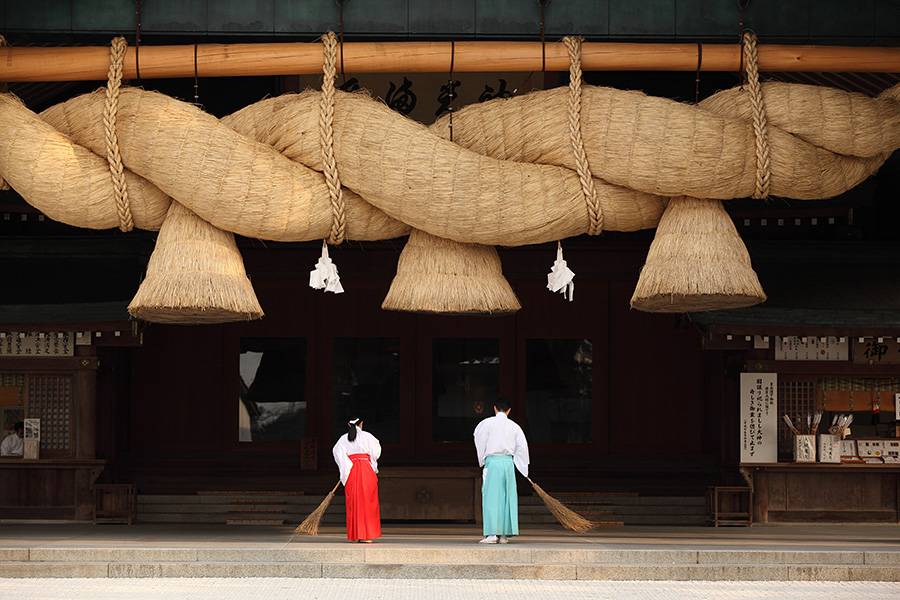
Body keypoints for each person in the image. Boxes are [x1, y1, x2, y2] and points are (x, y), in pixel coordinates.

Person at [473, 398, 529, 544]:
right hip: (508, 463)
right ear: (509, 410)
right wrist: (523, 468)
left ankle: (492, 534)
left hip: (493, 462)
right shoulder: (515, 426)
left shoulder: (486, 424)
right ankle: (504, 535)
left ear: (495, 408)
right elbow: (522, 448)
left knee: (491, 497)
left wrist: (482, 460)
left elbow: (479, 439)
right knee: (507, 497)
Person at [332, 418, 382, 543]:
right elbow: (376, 452)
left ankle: (355, 535)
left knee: (353, 502)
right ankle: (367, 536)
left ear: (349, 425)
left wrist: (346, 468)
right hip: (366, 469)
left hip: (351, 470)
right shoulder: (368, 437)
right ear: (361, 424)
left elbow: (337, 453)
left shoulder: (343, 439)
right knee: (368, 501)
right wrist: (371, 463)